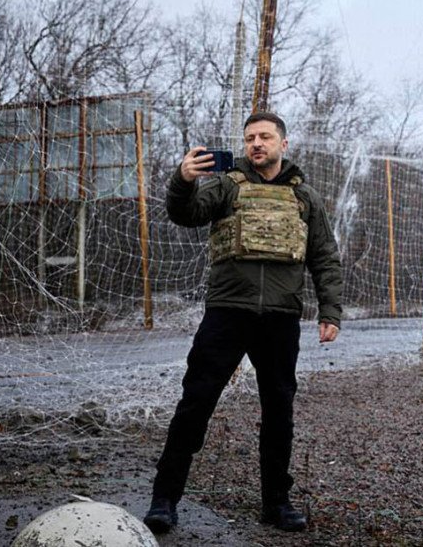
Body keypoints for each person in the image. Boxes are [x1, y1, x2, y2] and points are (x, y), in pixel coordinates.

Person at [144, 111, 342, 534]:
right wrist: (182, 179)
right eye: (250, 137)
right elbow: (186, 213)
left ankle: (276, 503)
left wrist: (330, 312)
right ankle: (164, 499)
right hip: (227, 312)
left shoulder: (305, 197)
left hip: (281, 317)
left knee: (278, 412)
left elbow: (324, 256)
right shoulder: (226, 184)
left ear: (282, 144)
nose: (256, 144)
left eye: (265, 137)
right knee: (196, 403)